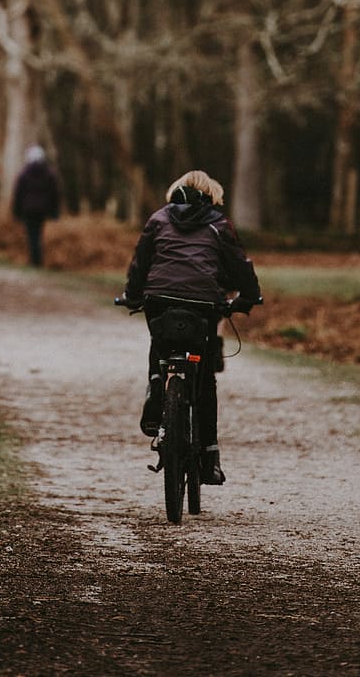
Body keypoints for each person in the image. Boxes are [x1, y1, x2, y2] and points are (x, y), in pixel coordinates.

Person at [121, 169, 262, 486]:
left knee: (159, 345)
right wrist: (249, 297)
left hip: (158, 298)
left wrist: (132, 296)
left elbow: (140, 262)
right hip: (203, 303)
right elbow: (240, 265)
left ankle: (157, 391)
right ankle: (209, 455)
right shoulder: (219, 224)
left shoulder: (158, 219)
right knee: (205, 378)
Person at [11, 144, 61, 266]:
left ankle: (34, 260)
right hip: (43, 209)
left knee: (31, 234)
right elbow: (55, 194)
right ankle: (37, 259)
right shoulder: (49, 174)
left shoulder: (24, 174)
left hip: (28, 209)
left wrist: (16, 211)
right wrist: (55, 212)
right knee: (38, 233)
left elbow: (18, 194)